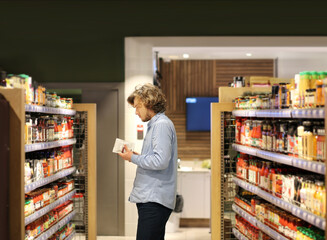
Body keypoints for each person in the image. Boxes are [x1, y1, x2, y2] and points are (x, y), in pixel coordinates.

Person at [118, 83, 178, 240]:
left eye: (138, 107)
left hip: (154, 199)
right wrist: (138, 155)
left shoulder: (161, 125)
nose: (136, 112)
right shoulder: (157, 125)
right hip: (152, 199)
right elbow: (158, 157)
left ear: (149, 103)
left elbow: (160, 161)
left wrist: (132, 158)